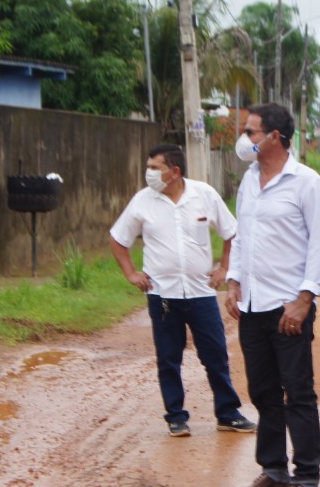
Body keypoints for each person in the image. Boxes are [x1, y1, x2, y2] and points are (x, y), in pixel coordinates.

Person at [224, 103, 320, 487]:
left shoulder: (307, 183)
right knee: (263, 392)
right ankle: (273, 471)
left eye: (251, 132)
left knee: (298, 393)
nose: (245, 139)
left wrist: (305, 299)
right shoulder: (249, 181)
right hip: (252, 305)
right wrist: (233, 281)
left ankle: (306, 479)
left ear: (274, 137)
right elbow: (241, 236)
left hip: (288, 307)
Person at [109, 144, 256, 438]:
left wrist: (225, 268)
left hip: (201, 292)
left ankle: (227, 413)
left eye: (155, 167)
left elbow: (231, 232)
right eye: (148, 166)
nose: (148, 173)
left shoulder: (204, 195)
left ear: (174, 172)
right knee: (168, 358)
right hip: (163, 295)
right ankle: (176, 417)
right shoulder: (142, 201)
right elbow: (117, 238)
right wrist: (130, 273)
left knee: (215, 355)